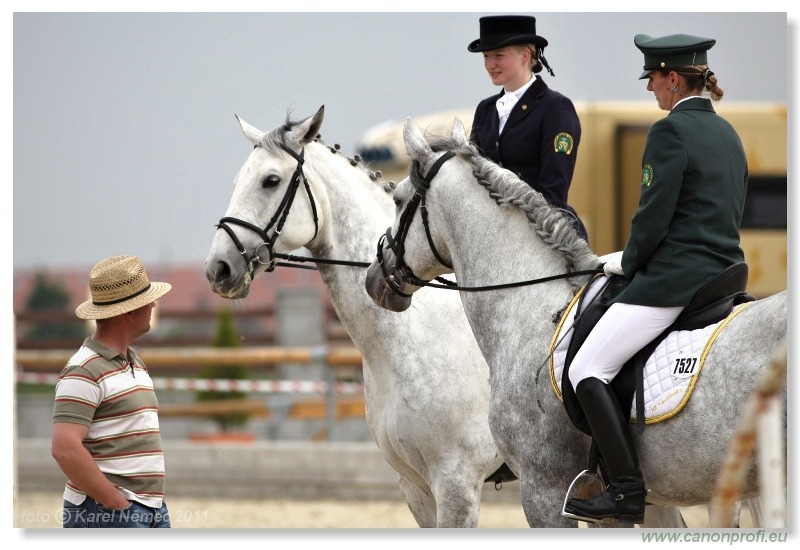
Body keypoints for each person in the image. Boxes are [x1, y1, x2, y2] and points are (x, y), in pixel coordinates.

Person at [563, 34, 748, 523]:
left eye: (653, 81)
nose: (651, 91)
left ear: (671, 78)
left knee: (586, 368)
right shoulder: (728, 133)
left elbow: (654, 215)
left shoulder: (670, 131)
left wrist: (629, 259)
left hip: (674, 279)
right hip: (725, 273)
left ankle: (624, 491)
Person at [51, 255, 173, 528]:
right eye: (147, 300)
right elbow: (64, 448)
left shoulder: (133, 361)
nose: (153, 304)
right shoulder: (84, 370)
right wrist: (115, 503)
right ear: (128, 312)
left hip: (144, 509)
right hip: (111, 511)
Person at [467, 14, 588, 241]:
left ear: (525, 55)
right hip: (490, 235)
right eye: (486, 56)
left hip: (544, 234)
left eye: (498, 56)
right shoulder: (485, 109)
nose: (490, 65)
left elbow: (554, 191)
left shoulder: (556, 108)